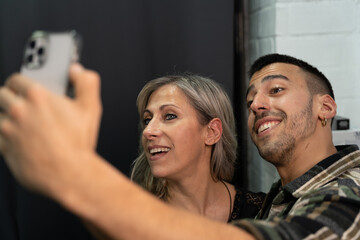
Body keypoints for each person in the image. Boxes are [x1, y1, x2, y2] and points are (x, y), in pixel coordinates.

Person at [0, 53, 359, 240]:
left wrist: (73, 170)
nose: (256, 104)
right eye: (250, 98)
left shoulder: (350, 190)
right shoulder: (278, 201)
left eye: (275, 90)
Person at [130, 74, 264, 222]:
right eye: (147, 120)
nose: (148, 131)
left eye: (169, 116)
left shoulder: (263, 212)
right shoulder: (135, 219)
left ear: (212, 132)